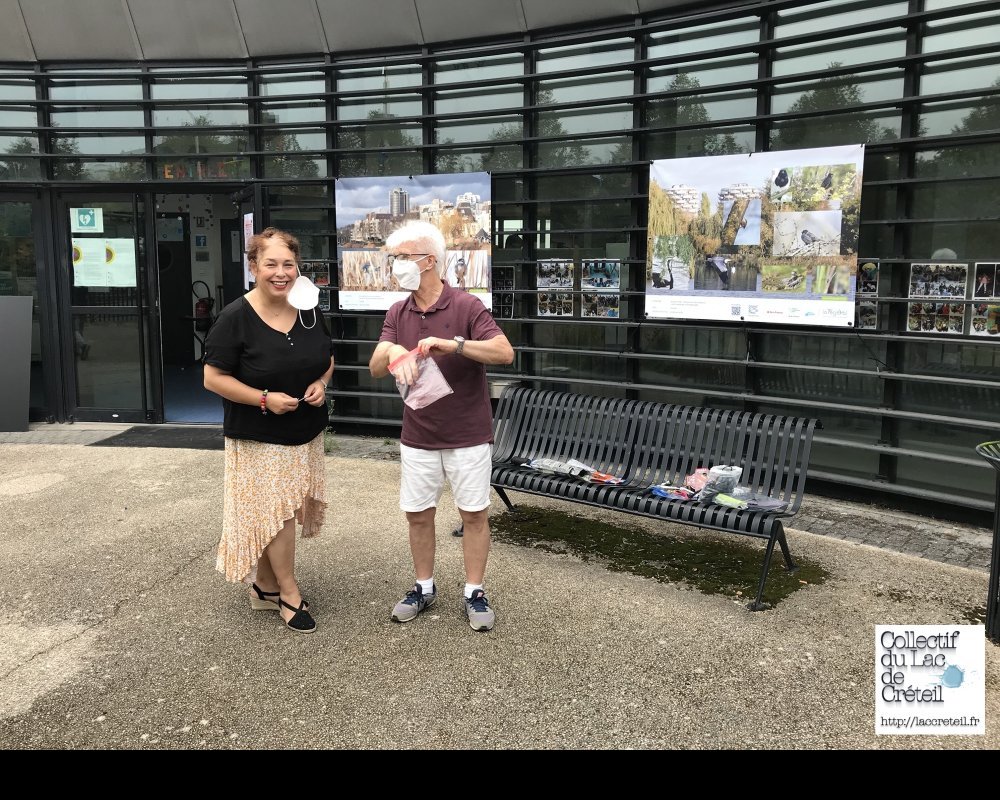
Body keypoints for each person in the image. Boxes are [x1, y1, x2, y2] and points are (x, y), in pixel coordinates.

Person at [368, 220, 514, 632]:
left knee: (474, 515)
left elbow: (505, 352)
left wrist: (456, 345)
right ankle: (423, 586)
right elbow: (376, 367)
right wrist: (394, 348)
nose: (396, 266)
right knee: (418, 515)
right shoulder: (398, 311)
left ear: (429, 261)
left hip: (467, 434)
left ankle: (474, 592)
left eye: (401, 258)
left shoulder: (466, 306)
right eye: (393, 259)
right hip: (419, 435)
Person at [203, 227, 335, 635]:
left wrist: (322, 384)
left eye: (288, 264)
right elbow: (212, 377)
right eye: (271, 264)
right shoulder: (234, 317)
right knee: (277, 516)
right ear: (253, 266)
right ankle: (288, 593)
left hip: (305, 429)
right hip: (259, 435)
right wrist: (263, 398)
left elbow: (326, 358)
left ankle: (263, 586)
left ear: (298, 267)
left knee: (280, 512)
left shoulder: (309, 308)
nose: (281, 273)